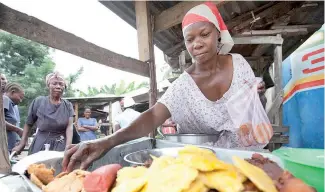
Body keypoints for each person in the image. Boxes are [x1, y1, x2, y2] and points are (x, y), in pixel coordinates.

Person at [63, 2, 268, 172]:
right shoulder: (183, 87)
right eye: (190, 39)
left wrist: (259, 96)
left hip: (250, 159)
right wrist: (106, 142)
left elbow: (252, 107)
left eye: (204, 34)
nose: (196, 44)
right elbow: (152, 117)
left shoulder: (239, 63)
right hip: (209, 167)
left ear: (218, 34)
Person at [13, 72, 74, 155]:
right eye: (54, 83)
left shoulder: (68, 105)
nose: (58, 86)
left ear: (64, 87)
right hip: (40, 142)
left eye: (61, 84)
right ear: (48, 85)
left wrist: (68, 147)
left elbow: (69, 127)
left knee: (57, 166)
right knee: (36, 166)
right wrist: (22, 143)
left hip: (60, 145)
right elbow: (28, 123)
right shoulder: (39, 101)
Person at [3, 83, 24, 153]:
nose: (21, 101)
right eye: (20, 97)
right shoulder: (5, 99)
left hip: (8, 147)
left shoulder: (13, 106)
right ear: (13, 92)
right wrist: (18, 130)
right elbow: (1, 121)